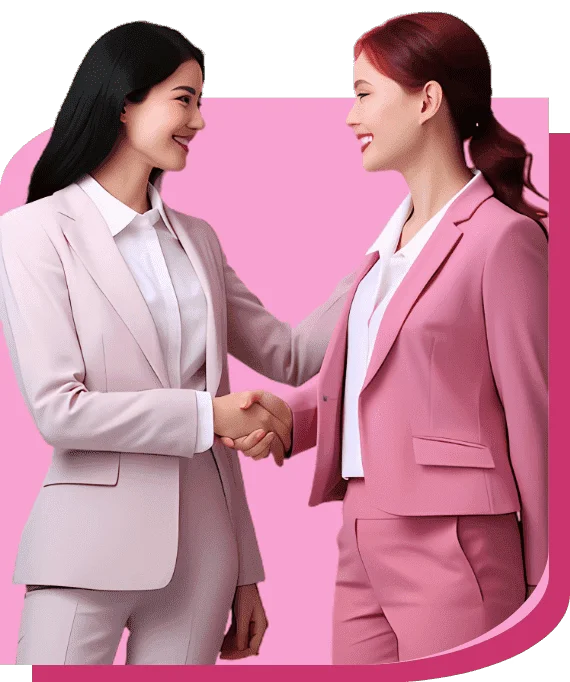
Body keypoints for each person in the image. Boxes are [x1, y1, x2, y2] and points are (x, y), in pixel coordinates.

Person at [0, 20, 355, 665]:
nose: (199, 119)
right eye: (184, 99)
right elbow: (60, 410)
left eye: (201, 101)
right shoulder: (34, 233)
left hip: (202, 563)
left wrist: (390, 257)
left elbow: (292, 354)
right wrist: (206, 416)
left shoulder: (198, 240)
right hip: (86, 551)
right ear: (124, 101)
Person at [222, 12, 548, 664]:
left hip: (456, 540)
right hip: (361, 532)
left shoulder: (502, 239)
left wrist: (550, 587)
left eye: (364, 92)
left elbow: (539, 420)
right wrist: (294, 417)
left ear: (427, 99)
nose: (351, 115)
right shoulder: (384, 251)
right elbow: (377, 375)